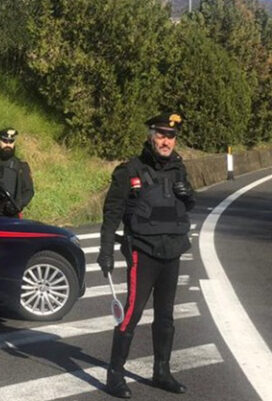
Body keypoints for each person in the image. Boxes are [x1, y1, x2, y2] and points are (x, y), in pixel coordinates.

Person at [97, 112, 195, 398]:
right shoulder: (129, 170)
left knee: (166, 316)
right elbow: (112, 213)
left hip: (173, 250)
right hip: (143, 251)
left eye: (171, 136)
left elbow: (187, 205)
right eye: (162, 134)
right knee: (132, 313)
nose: (166, 141)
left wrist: (188, 194)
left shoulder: (179, 168)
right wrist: (105, 252)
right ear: (151, 135)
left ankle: (161, 372)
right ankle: (114, 375)